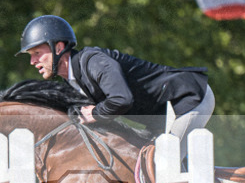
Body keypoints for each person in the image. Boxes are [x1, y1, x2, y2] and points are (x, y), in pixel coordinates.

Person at [17, 15, 215, 157]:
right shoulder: (71, 81)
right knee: (141, 161)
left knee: (165, 162)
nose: (32, 62)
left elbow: (122, 99)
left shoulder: (93, 62)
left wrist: (95, 113)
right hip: (161, 117)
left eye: (37, 53)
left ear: (59, 47)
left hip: (187, 98)